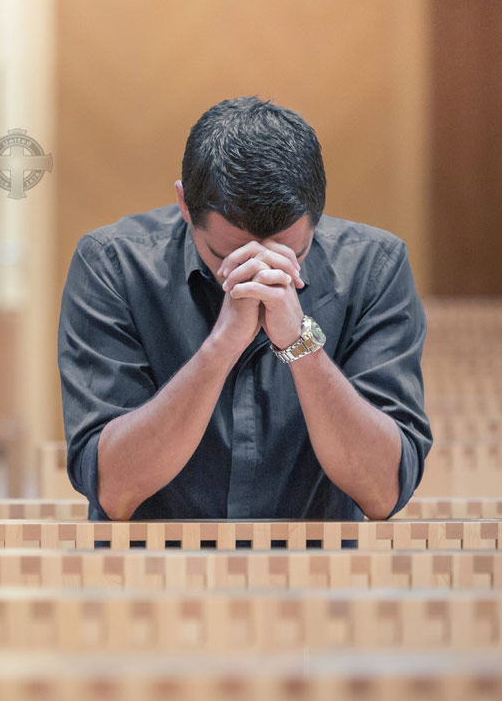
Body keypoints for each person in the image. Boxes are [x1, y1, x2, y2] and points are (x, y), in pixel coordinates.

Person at [57, 96, 432, 522]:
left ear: (318, 214)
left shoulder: (374, 268)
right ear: (184, 204)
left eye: (289, 256)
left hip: (321, 580)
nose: (259, 277)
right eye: (229, 258)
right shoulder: (113, 264)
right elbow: (114, 489)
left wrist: (300, 342)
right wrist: (222, 345)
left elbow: (382, 490)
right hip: (150, 577)